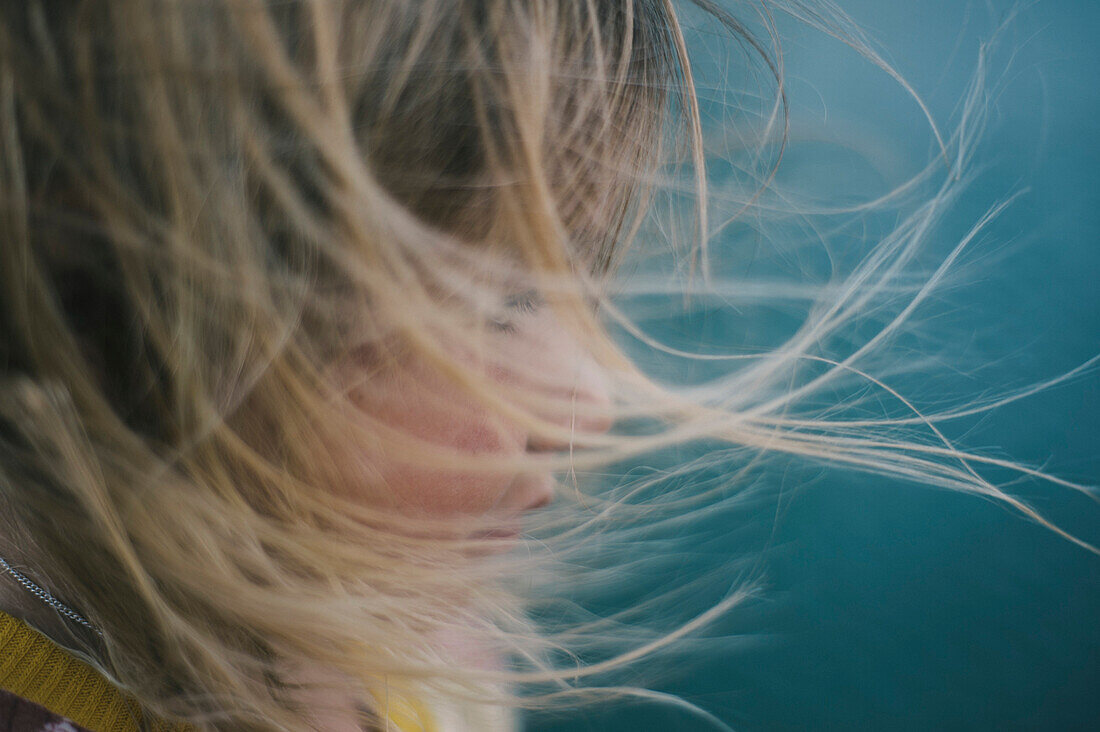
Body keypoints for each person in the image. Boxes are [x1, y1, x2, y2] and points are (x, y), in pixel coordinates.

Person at [0, 1, 1093, 730]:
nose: (593, 401)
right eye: (502, 303)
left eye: (578, 284)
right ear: (144, 303)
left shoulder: (396, 594)